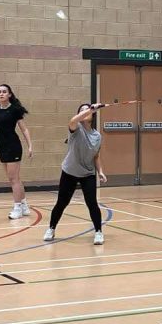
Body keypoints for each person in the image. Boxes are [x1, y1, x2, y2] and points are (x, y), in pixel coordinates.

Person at [43, 102, 108, 245]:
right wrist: (90, 109)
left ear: (93, 115)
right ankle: (51, 228)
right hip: (70, 171)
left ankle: (98, 232)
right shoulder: (75, 128)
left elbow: (96, 156)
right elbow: (73, 120)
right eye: (82, 110)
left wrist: (100, 172)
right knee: (62, 202)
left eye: (88, 110)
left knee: (92, 203)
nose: (85, 112)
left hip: (88, 173)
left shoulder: (97, 136)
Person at [0, 84, 33, 219]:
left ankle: (17, 208)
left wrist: (30, 146)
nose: (1, 94)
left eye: (4, 92)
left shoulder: (14, 110)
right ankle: (24, 205)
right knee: (14, 179)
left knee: (13, 179)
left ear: (9, 94)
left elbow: (24, 129)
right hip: (1, 147)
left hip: (13, 146)